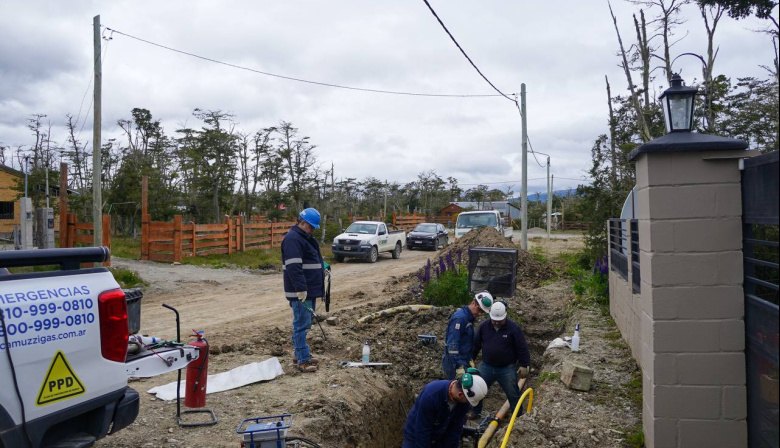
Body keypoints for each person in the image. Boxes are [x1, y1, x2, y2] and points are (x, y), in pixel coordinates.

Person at [281, 207, 325, 373]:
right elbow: (294, 267)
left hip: (309, 290)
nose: (313, 230)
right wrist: (300, 289)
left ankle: (300, 353)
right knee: (301, 325)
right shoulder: (293, 239)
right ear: (303, 223)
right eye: (312, 226)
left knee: (305, 324)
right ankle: (302, 361)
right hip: (301, 292)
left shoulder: (304, 237)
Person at [470, 301, 530, 419]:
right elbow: (476, 345)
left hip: (506, 368)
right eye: (494, 320)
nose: (497, 323)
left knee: (513, 394)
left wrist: (524, 364)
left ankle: (517, 416)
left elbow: (521, 347)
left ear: (505, 316)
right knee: (477, 390)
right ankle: (475, 411)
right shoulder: (484, 326)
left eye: (500, 321)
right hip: (487, 366)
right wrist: (470, 359)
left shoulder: (513, 328)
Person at [402, 373, 488, 448]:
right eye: (468, 401)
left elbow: (456, 429)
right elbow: (423, 430)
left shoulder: (464, 402)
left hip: (441, 434)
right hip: (417, 434)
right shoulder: (431, 396)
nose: (468, 404)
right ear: (460, 394)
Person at [441, 291, 494, 379]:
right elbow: (453, 346)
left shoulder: (468, 319)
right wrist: (459, 366)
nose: (480, 314)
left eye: (483, 312)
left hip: (464, 361)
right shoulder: (460, 319)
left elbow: (466, 343)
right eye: (479, 310)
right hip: (454, 364)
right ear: (473, 303)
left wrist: (470, 360)